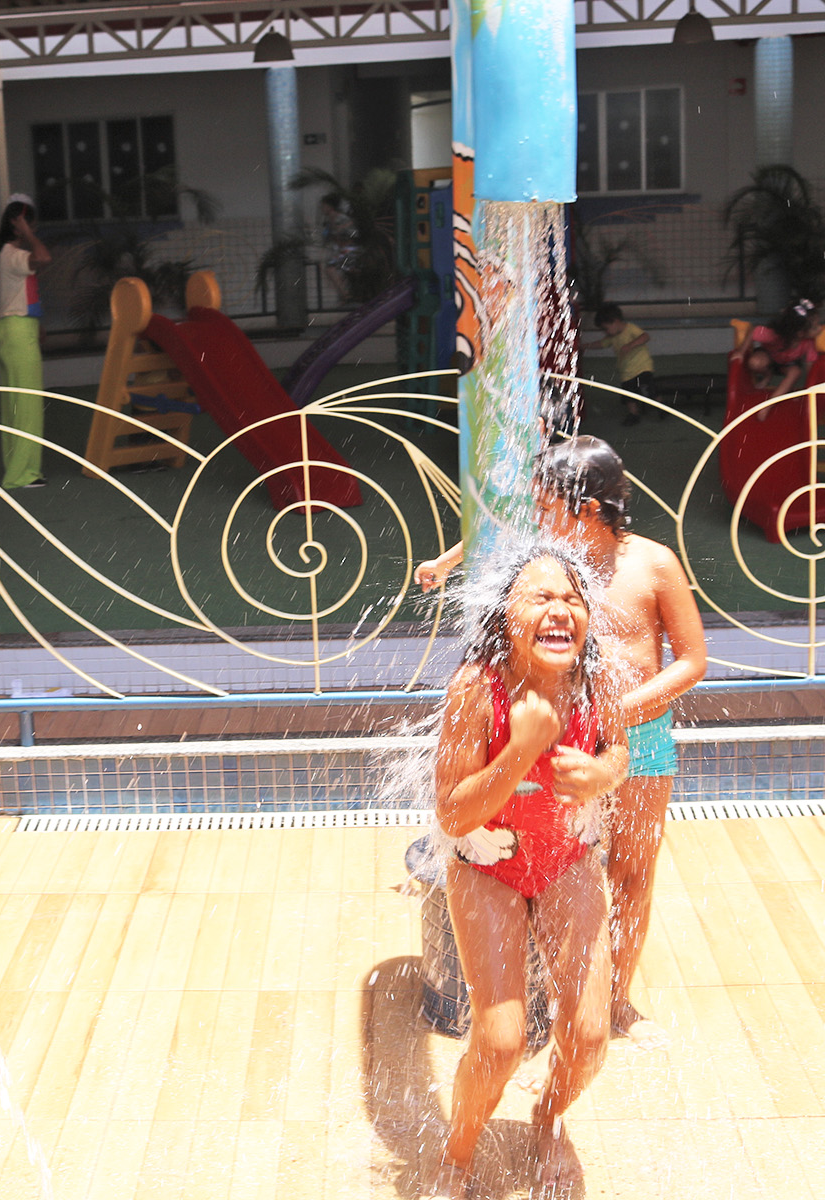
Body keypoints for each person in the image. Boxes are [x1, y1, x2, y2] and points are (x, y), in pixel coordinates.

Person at [417, 437, 707, 1050]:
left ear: (589, 509)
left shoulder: (652, 565)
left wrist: (611, 715)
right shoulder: (551, 568)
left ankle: (617, 1002)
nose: (537, 517)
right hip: (554, 736)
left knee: (632, 873)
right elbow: (496, 542)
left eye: (547, 506)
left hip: (638, 737)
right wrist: (446, 563)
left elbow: (692, 662)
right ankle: (557, 1004)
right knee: (552, 863)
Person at [428, 544, 627, 1199]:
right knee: (500, 1040)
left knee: (590, 1036)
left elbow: (619, 752)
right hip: (487, 864)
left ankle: (548, 1117)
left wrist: (600, 774)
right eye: (540, 598)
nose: (559, 609)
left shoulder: (598, 677)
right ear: (505, 617)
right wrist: (521, 750)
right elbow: (453, 813)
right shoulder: (475, 688)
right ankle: (457, 1154)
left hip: (567, 857)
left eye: (571, 599)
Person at [0, 194, 50, 491]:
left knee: (13, 409)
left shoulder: (1, 258)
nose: (32, 231)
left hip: (7, 330)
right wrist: (28, 234)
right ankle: (23, 474)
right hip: (18, 333)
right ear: (19, 225)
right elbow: (44, 258)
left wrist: (35, 323)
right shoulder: (13, 254)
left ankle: (16, 471)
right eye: (30, 225)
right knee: (27, 408)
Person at [733, 298, 822, 404]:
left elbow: (810, 368)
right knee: (754, 362)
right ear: (800, 333)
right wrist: (741, 352)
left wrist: (808, 390)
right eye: (815, 327)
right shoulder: (774, 335)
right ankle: (768, 375)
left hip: (788, 364)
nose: (820, 328)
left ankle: (771, 402)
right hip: (769, 357)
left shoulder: (809, 342)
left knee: (795, 372)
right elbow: (755, 332)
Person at [581, 303, 654, 426]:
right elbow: (601, 344)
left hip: (642, 367)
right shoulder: (612, 336)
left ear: (615, 321)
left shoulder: (630, 329)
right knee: (628, 394)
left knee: (649, 389)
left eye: (606, 328)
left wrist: (630, 345)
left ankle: (660, 405)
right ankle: (634, 414)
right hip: (626, 371)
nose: (606, 332)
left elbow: (645, 336)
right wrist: (585, 346)